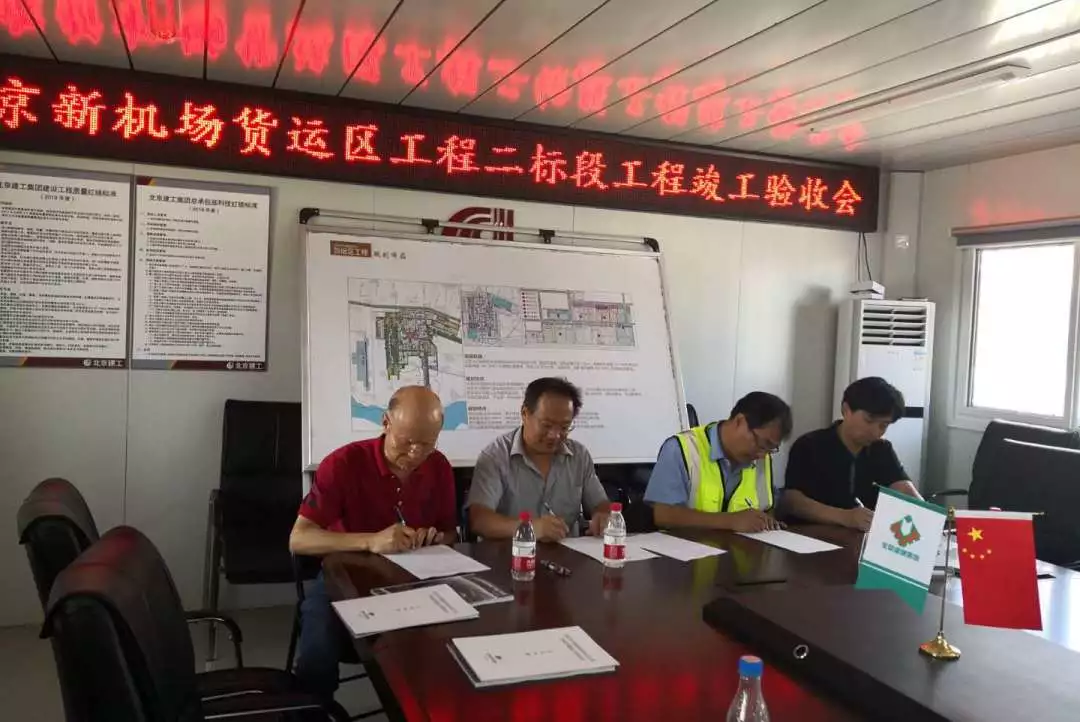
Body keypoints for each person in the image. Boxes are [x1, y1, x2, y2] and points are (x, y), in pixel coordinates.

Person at [288, 385, 457, 699]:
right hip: (347, 576)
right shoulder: (344, 463)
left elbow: (450, 532)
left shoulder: (439, 466)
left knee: (455, 640)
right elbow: (299, 539)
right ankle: (311, 711)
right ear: (385, 423)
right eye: (407, 442)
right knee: (317, 652)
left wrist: (434, 537)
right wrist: (371, 541)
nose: (416, 454)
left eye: (427, 444)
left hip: (416, 578)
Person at [466, 377, 611, 541]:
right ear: (525, 414)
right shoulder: (495, 456)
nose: (555, 435)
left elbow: (600, 504)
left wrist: (603, 516)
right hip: (511, 553)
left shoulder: (579, 456)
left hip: (567, 552)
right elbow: (479, 520)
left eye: (564, 427)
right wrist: (530, 528)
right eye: (546, 425)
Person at [783, 376, 922, 532]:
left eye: (884, 425)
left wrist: (930, 518)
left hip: (859, 537)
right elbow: (791, 501)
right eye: (869, 421)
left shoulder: (881, 449)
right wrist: (845, 517)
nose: (875, 432)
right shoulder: (809, 445)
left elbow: (903, 488)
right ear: (846, 410)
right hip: (811, 535)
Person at [644, 392, 792, 532]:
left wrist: (766, 521)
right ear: (740, 422)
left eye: (771, 449)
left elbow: (767, 507)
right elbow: (664, 515)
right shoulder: (682, 448)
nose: (762, 455)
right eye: (762, 444)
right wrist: (730, 521)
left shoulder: (762, 459)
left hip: (740, 548)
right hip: (686, 546)